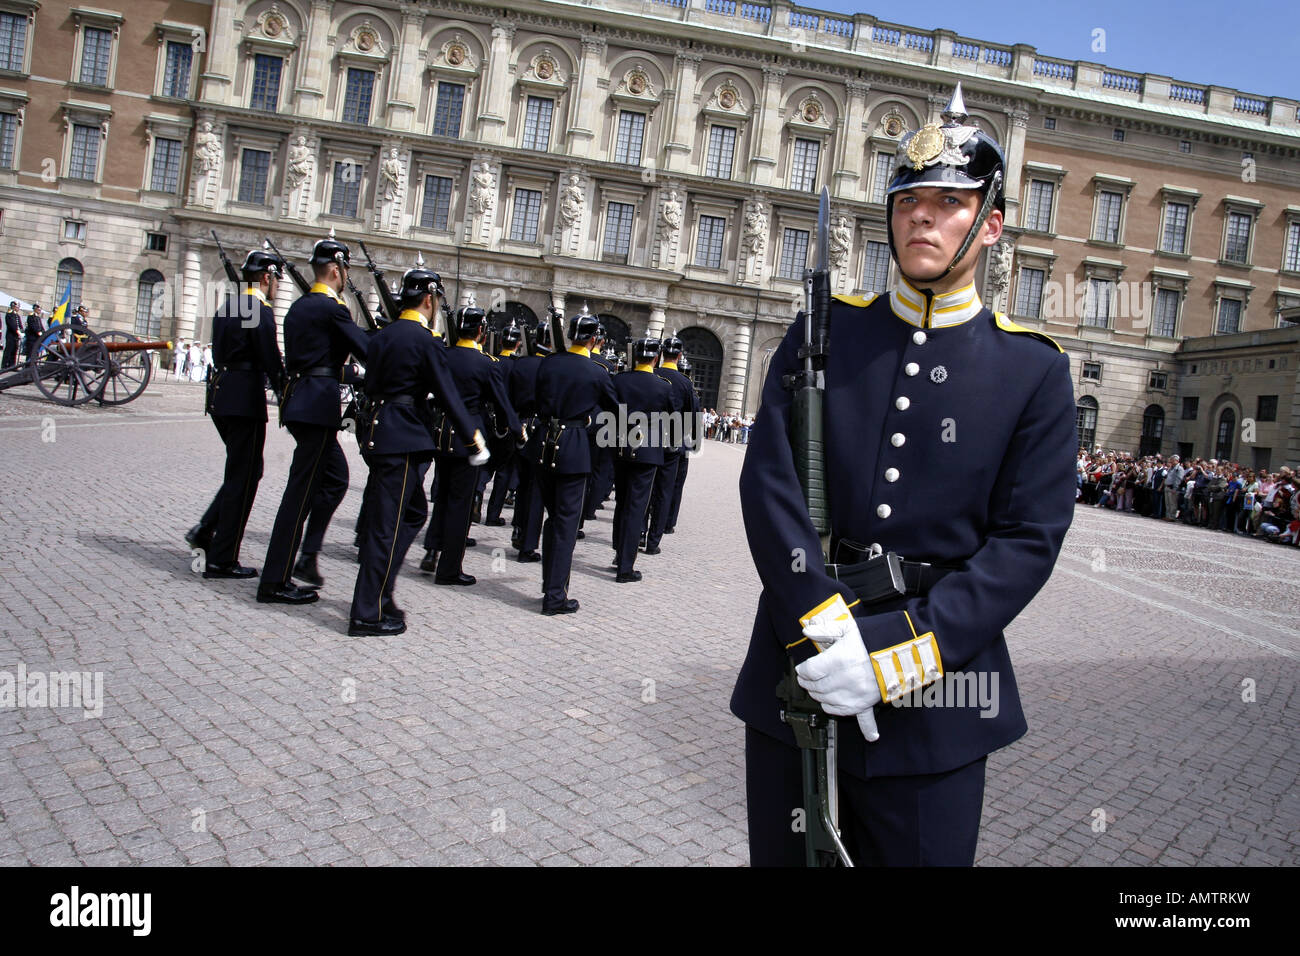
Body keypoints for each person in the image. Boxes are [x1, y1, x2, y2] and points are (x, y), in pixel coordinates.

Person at [731, 84, 1077, 866]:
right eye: (909, 199)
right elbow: (771, 484)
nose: (922, 216)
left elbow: (1024, 545)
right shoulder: (828, 334)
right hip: (800, 670)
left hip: (937, 698)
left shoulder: (1031, 372)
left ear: (989, 225)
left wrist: (896, 656)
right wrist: (820, 626)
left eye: (948, 202)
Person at [350, 267, 485, 635]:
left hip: (378, 431)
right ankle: (367, 611)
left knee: (410, 515)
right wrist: (473, 438)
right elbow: (447, 394)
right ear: (429, 299)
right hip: (403, 435)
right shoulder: (426, 341)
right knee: (388, 525)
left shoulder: (383, 335)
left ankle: (381, 593)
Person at [256, 234, 371, 605]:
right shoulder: (332, 308)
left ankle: (307, 554)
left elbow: (318, 361)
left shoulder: (300, 307)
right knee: (299, 496)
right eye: (346, 271)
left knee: (335, 479)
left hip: (300, 402)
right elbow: (366, 350)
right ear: (337, 270)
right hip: (318, 407)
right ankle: (275, 580)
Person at [186, 250, 288, 578]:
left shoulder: (227, 306)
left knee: (243, 471)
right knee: (244, 476)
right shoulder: (260, 310)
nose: (276, 286)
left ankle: (206, 529)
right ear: (266, 277)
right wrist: (286, 390)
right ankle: (222, 557)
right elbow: (270, 358)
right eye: (276, 280)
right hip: (245, 399)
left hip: (221, 393)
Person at [418, 304, 523, 585]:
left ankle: (431, 550)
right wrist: (514, 429)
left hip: (441, 434)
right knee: (460, 504)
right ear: (480, 331)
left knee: (441, 496)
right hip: (469, 438)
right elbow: (501, 403)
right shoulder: (486, 363)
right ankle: (450, 567)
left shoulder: (444, 355)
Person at [527, 309, 617, 614]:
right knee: (565, 525)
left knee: (553, 520)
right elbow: (616, 411)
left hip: (543, 445)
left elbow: (537, 401)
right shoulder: (597, 372)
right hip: (574, 448)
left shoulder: (549, 363)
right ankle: (555, 596)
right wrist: (591, 420)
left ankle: (549, 585)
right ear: (594, 339)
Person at [610, 338, 674, 582]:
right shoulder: (664, 386)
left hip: (620, 446)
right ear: (655, 358)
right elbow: (671, 418)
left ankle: (618, 552)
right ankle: (625, 566)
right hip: (648, 451)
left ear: (635, 357)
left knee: (622, 502)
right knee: (637, 507)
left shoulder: (619, 380)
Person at [642, 336, 690, 554]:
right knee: (664, 492)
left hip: (649, 438)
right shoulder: (684, 382)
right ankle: (653, 542)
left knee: (644, 489)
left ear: (661, 355)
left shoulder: (652, 374)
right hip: (672, 443)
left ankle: (639, 531)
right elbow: (690, 416)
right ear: (679, 356)